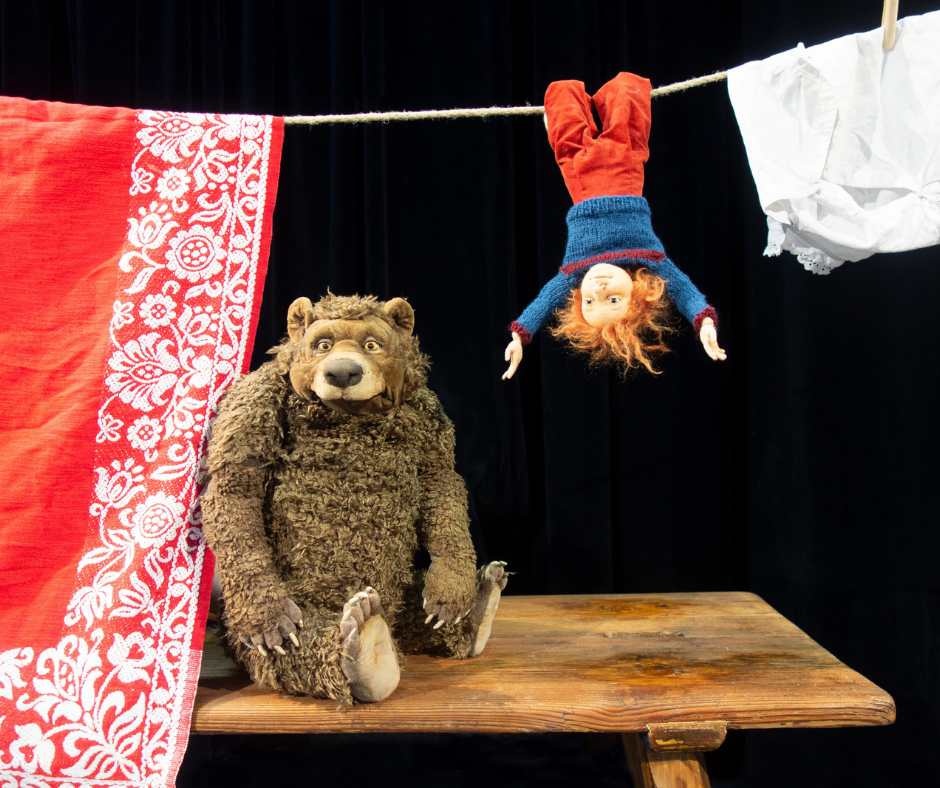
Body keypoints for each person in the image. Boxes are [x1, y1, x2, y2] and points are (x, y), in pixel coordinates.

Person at [503, 72, 726, 380]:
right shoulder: (649, 259)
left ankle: (568, 95)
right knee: (627, 105)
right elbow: (684, 291)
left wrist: (520, 335)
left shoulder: (574, 272)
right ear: (637, 295)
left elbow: (545, 301)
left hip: (579, 177)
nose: (599, 288)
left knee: (563, 110)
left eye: (591, 301)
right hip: (626, 170)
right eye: (614, 300)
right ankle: (616, 92)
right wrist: (705, 322)